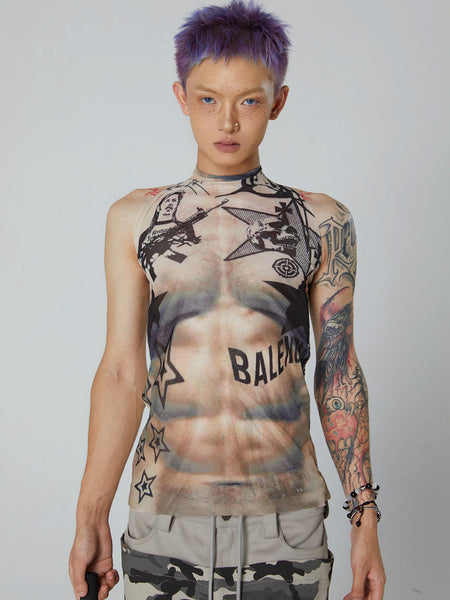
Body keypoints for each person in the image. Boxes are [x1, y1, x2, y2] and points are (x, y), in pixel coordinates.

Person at [69, 2, 385, 599]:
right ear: (182, 97)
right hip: (164, 518)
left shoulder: (321, 220)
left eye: (250, 101)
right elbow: (121, 371)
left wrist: (364, 520)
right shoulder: (136, 217)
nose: (228, 121)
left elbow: (339, 372)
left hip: (285, 523)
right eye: (209, 99)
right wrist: (90, 515)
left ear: (278, 102)